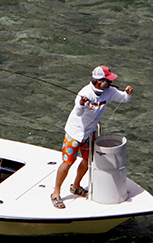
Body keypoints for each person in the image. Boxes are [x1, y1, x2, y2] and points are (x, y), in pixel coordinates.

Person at [51, 65, 134, 209]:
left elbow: (124, 99)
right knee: (67, 162)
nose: (110, 83)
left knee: (88, 159)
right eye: (107, 80)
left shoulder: (109, 91)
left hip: (90, 132)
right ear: (99, 81)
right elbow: (77, 112)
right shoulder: (85, 92)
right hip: (75, 133)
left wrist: (128, 93)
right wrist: (82, 104)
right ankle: (56, 193)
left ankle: (76, 186)